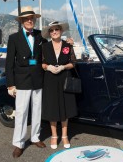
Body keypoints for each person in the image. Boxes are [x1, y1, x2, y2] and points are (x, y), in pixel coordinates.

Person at [5, 6, 47, 158]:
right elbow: (9, 63)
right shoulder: (14, 38)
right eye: (26, 19)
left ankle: (35, 137)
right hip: (21, 80)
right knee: (21, 112)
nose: (30, 21)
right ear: (22, 21)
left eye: (32, 18)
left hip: (38, 78)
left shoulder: (41, 36)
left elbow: (48, 53)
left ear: (34, 20)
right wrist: (10, 84)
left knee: (37, 110)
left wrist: (67, 44)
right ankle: (19, 143)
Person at [41, 21, 77, 149]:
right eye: (51, 30)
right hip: (50, 79)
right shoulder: (45, 46)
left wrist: (63, 67)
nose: (54, 32)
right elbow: (42, 63)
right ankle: (54, 136)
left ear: (61, 31)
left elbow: (73, 63)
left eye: (56, 29)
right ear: (49, 33)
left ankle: (65, 136)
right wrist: (48, 67)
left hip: (64, 78)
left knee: (65, 107)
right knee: (52, 107)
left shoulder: (68, 45)